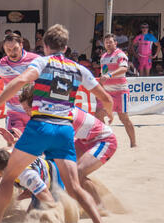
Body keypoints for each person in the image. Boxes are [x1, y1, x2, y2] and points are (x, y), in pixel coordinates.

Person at [0, 24, 116, 223]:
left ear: (45, 45)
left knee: (8, 177)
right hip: (64, 130)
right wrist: (108, 112)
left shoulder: (42, 62)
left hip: (41, 126)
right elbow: (106, 98)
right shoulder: (78, 69)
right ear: (65, 47)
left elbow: (20, 81)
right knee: (74, 186)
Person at [19, 84, 118, 213]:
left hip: (104, 140)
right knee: (59, 169)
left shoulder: (57, 115)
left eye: (28, 109)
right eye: (25, 109)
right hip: (84, 140)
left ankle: (101, 209)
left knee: (77, 173)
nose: (27, 113)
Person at [0, 148, 64, 221]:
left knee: (33, 218)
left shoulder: (26, 175)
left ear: (4, 170)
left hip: (55, 178)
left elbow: (46, 196)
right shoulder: (2, 159)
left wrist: (58, 219)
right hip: (38, 176)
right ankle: (31, 191)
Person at [97, 33, 136, 148]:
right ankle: (107, 139)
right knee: (98, 115)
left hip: (120, 92)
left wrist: (109, 75)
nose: (108, 44)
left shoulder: (120, 54)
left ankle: (133, 144)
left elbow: (124, 68)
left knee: (123, 118)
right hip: (107, 92)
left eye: (110, 42)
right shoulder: (103, 57)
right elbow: (103, 73)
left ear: (115, 43)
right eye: (106, 42)